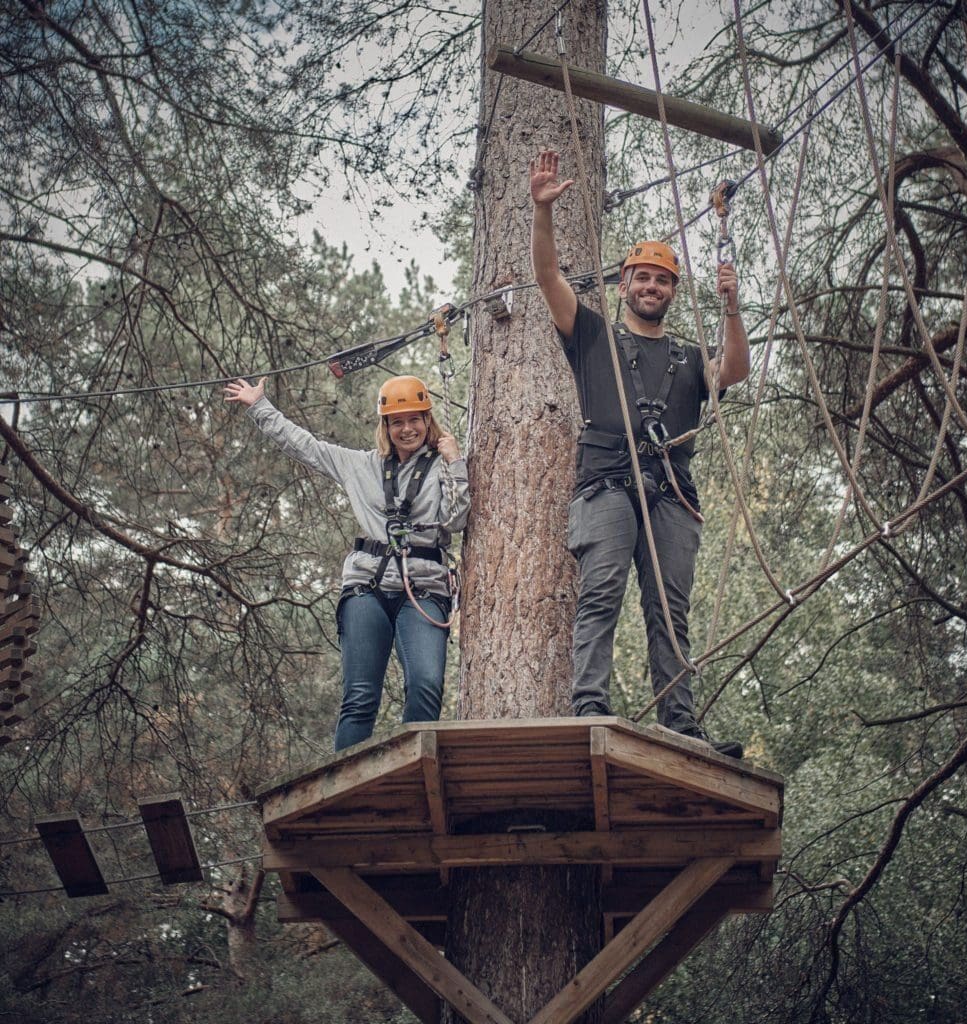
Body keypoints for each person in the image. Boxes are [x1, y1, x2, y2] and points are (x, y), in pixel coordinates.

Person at [529, 148, 749, 758]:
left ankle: (680, 721)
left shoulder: (685, 357)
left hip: (671, 494)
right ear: (624, 284)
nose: (651, 286)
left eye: (662, 279)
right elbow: (548, 278)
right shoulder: (594, 335)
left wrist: (731, 305)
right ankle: (589, 707)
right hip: (606, 485)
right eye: (642, 277)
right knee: (602, 589)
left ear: (673, 291)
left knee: (669, 608)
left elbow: (734, 369)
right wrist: (541, 213)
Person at [224, 374, 469, 751]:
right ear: (385, 426)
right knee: (359, 696)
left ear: (427, 420)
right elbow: (306, 446)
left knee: (425, 684)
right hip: (367, 587)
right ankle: (349, 788)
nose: (408, 429)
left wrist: (455, 462)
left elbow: (456, 520)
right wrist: (260, 407)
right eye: (397, 421)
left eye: (415, 419)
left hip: (423, 589)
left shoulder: (441, 466)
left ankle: (416, 777)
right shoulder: (361, 466)